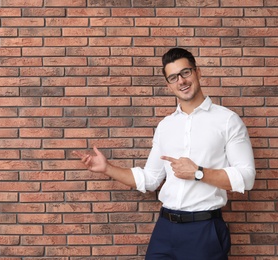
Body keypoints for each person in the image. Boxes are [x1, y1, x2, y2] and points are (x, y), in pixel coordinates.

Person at [73, 47, 256, 260]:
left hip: (204, 230)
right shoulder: (165, 126)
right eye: (173, 77)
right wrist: (107, 168)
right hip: (165, 229)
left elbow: (247, 177)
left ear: (198, 73)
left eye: (185, 73)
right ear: (169, 85)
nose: (181, 81)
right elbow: (150, 179)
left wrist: (198, 172)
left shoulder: (227, 120)